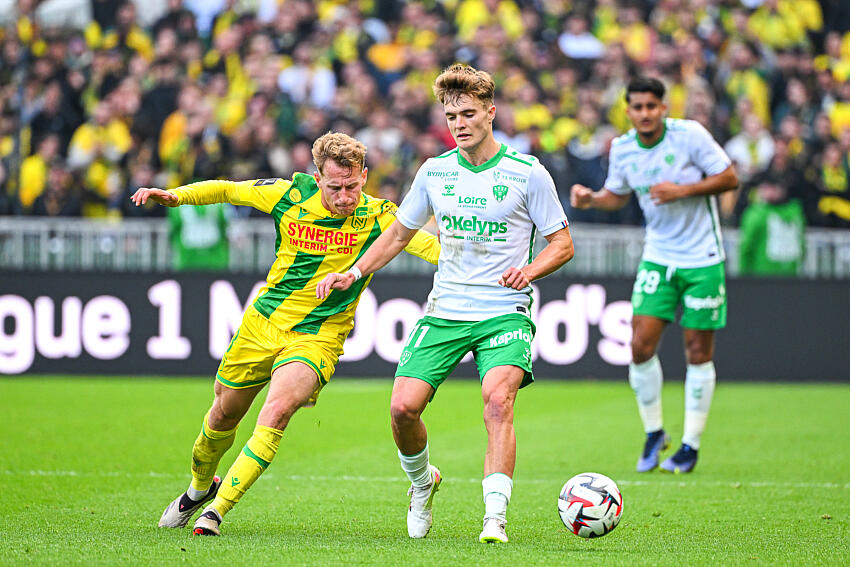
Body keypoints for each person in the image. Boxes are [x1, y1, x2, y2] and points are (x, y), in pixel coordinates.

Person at [130, 132, 440, 536]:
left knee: (275, 412)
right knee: (222, 415)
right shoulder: (288, 195)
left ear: (364, 176)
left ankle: (216, 512)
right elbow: (229, 190)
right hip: (262, 325)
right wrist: (177, 196)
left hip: (318, 337)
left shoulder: (382, 216)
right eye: (334, 187)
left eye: (352, 185)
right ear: (318, 177)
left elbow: (435, 249)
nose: (345, 196)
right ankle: (199, 490)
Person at [317, 64, 575, 544]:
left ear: (491, 113)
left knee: (498, 402)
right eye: (451, 114)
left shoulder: (527, 173)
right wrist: (353, 271)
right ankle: (422, 484)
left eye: (469, 113)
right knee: (402, 410)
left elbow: (562, 244)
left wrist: (529, 270)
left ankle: (494, 517)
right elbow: (399, 232)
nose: (459, 123)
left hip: (504, 309)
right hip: (446, 309)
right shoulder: (435, 172)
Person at [570, 77, 739, 474]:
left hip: (703, 258)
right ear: (628, 111)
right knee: (640, 345)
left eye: (652, 106)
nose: (645, 114)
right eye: (638, 107)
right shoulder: (624, 148)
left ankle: (690, 445)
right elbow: (618, 194)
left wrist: (683, 190)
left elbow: (730, 178)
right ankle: (653, 432)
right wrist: (592, 198)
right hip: (658, 256)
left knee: (698, 351)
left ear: (664, 107)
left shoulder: (690, 136)